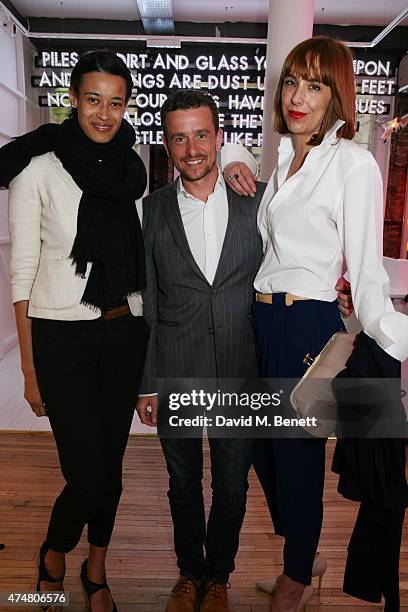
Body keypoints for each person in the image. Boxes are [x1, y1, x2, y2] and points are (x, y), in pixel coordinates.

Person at [135, 89, 352, 612]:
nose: (191, 149)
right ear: (166, 143)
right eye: (179, 137)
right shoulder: (152, 210)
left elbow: (295, 256)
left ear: (220, 137)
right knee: (183, 483)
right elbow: (148, 299)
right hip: (177, 369)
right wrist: (146, 383)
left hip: (241, 366)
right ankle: (190, 574)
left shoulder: (258, 202)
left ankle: (219, 575)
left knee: (232, 487)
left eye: (202, 135)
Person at [222, 35, 408, 612]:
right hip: (261, 319)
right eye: (293, 82)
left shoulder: (350, 164)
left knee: (297, 453)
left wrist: (391, 335)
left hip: (309, 325)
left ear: (337, 96)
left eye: (317, 85)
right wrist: (233, 159)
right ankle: (303, 551)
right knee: (255, 445)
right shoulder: (280, 158)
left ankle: (298, 574)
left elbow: (367, 266)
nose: (300, 96)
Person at [1, 50, 149, 612]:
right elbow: (22, 274)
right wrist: (28, 369)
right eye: (93, 100)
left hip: (122, 334)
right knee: (87, 470)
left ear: (126, 104)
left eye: (116, 102)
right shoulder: (37, 168)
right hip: (60, 339)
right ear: (73, 100)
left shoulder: (132, 167)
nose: (104, 114)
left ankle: (96, 566)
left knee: (108, 465)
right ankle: (54, 550)